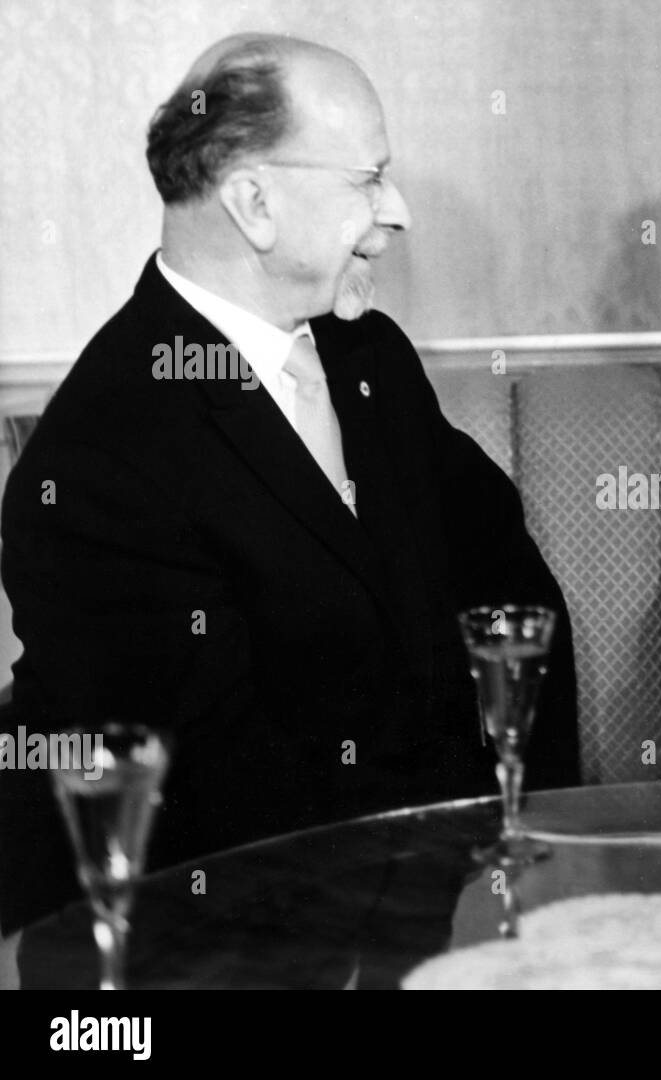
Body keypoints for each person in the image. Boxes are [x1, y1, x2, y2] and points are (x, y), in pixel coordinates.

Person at [0, 34, 579, 932]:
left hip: (435, 900)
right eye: (367, 179)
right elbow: (223, 800)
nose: (398, 212)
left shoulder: (369, 356)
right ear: (255, 203)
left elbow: (517, 600)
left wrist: (527, 854)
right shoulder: (97, 462)